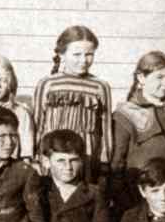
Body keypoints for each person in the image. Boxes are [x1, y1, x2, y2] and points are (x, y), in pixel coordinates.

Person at [111, 51, 165, 216]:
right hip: (139, 191)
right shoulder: (126, 113)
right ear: (141, 78)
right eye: (159, 77)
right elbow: (118, 160)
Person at [32, 25, 114, 183]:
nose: (83, 60)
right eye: (77, 54)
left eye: (89, 54)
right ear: (62, 54)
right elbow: (38, 124)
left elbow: (106, 128)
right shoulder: (47, 84)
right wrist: (38, 158)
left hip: (86, 157)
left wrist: (104, 162)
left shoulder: (100, 86)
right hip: (54, 156)